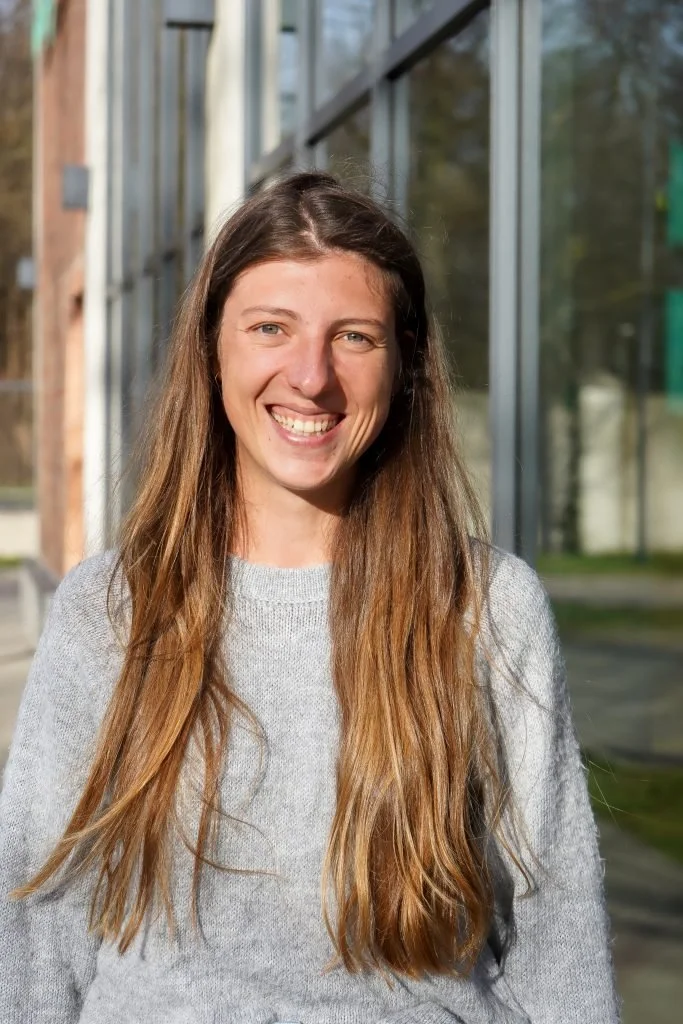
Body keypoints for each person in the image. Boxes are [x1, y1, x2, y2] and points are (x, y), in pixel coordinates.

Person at [0, 171, 619, 1023]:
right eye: (269, 328)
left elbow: (558, 932)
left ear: (404, 366)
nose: (310, 376)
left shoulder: (484, 606)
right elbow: (37, 920)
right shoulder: (112, 610)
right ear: (212, 352)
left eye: (354, 337)